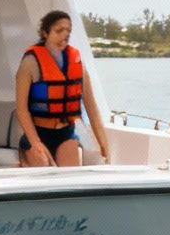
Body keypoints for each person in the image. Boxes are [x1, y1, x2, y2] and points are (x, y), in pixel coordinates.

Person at [13, 11, 108, 167]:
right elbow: (21, 110)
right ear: (45, 33)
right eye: (59, 31)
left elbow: (92, 110)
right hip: (38, 133)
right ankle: (23, 162)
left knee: (69, 180)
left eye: (68, 31)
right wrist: (36, 143)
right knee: (44, 167)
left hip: (66, 133)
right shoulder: (30, 63)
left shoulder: (77, 63)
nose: (65, 35)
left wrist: (103, 145)